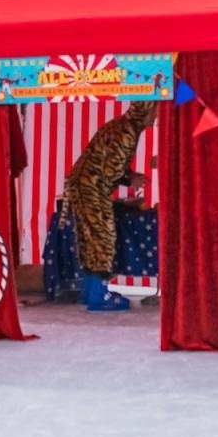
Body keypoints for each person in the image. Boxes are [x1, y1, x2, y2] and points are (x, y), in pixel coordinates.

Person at [62, 100, 157, 311]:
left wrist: (130, 177)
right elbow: (111, 169)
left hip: (84, 184)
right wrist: (131, 179)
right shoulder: (127, 131)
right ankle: (101, 294)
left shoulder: (123, 126)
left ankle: (90, 292)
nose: (156, 116)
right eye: (155, 111)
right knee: (102, 236)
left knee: (90, 237)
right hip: (91, 187)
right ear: (145, 110)